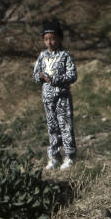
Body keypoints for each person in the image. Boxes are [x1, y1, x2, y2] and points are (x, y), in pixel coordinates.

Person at [32, 19, 77, 170]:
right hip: (47, 97)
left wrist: (56, 79)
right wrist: (40, 76)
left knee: (65, 126)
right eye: (46, 39)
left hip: (62, 97)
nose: (49, 42)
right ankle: (54, 157)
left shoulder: (65, 56)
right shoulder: (42, 56)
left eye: (52, 38)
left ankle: (70, 157)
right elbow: (35, 75)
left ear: (59, 38)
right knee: (52, 127)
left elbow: (73, 75)